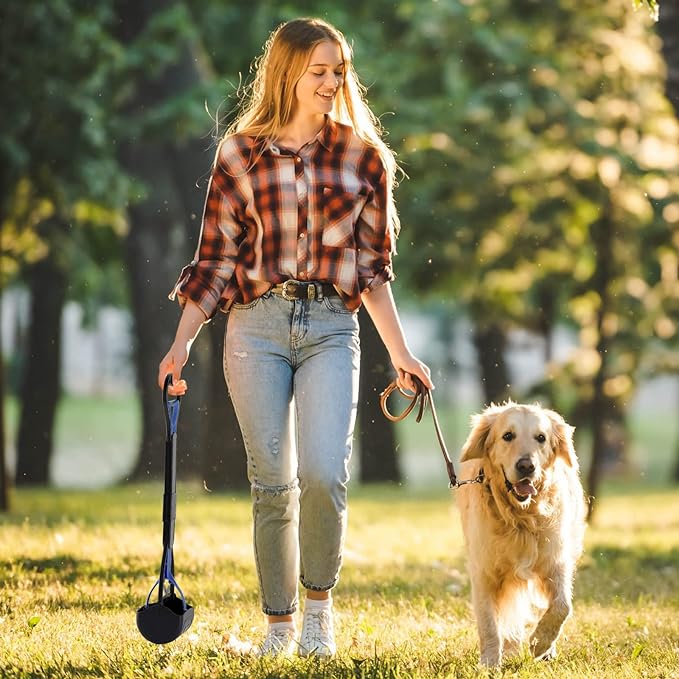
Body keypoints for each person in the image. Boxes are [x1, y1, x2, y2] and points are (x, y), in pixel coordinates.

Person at [157, 17, 433, 659]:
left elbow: (370, 270)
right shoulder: (240, 153)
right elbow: (215, 263)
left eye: (340, 70)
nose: (334, 82)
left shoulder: (363, 158)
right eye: (320, 71)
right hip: (255, 328)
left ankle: (317, 615)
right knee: (272, 482)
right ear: (287, 73)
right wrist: (179, 346)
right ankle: (279, 628)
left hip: (332, 328)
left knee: (323, 474)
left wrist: (401, 352)